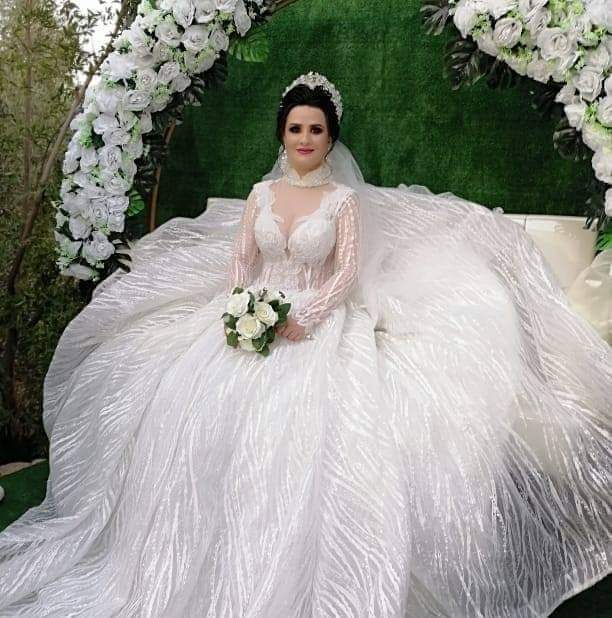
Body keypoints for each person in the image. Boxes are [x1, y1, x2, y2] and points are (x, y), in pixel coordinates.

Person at [0, 72, 610, 617]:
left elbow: (345, 272)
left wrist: (307, 314)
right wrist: (242, 305)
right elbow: (242, 260)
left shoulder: (342, 201)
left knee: (303, 430)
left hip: (314, 320)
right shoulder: (261, 196)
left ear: (330, 136)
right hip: (251, 314)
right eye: (295, 128)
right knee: (189, 406)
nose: (305, 138)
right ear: (282, 134)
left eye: (316, 129)